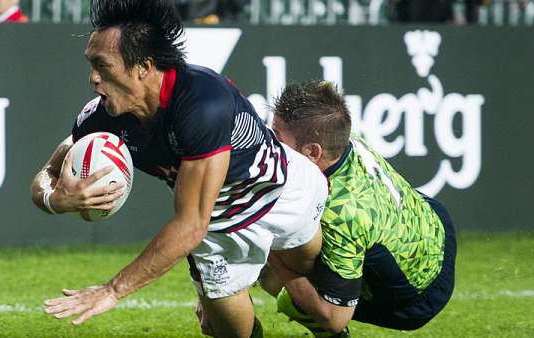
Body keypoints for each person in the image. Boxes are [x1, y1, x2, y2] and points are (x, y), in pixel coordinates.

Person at [30, 1, 327, 337]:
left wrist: (113, 290)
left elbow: (189, 225)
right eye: (91, 64)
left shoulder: (202, 101)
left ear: (142, 66)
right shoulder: (101, 118)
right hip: (217, 227)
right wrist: (58, 199)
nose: (93, 79)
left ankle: (275, 271)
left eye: (102, 65)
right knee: (231, 334)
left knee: (314, 290)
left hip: (279, 193)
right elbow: (45, 176)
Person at [262, 80, 457, 337]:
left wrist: (272, 256)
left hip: (417, 297)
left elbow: (335, 318)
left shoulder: (340, 214)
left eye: (276, 136)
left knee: (276, 269)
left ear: (312, 152)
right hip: (435, 226)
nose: (270, 143)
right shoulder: (342, 140)